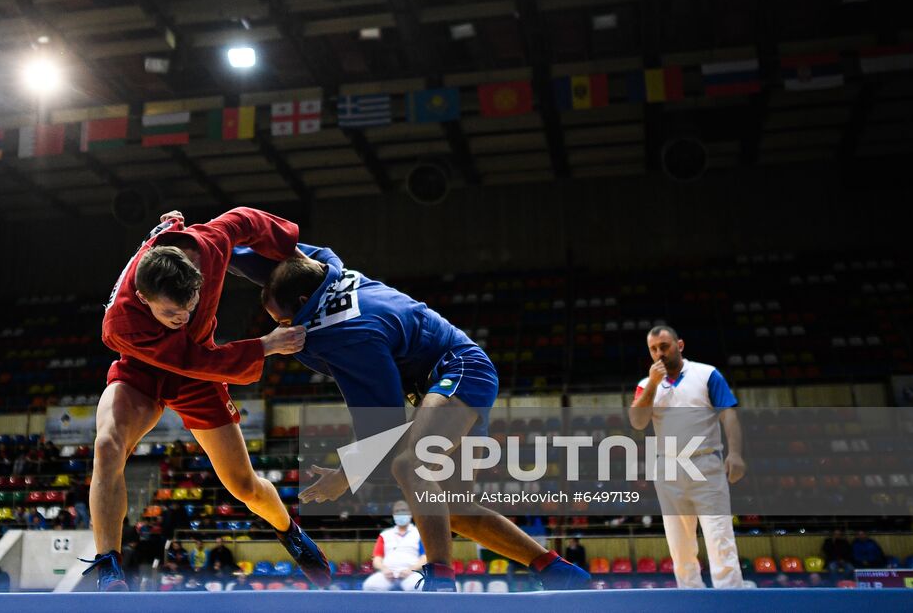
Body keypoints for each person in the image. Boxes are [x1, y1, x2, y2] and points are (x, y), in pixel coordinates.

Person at [253, 245, 591, 592]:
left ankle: (440, 578)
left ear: (304, 302)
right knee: (455, 511)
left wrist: (345, 475)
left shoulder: (351, 335)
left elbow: (383, 423)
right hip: (453, 375)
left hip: (459, 367)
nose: (283, 329)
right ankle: (557, 570)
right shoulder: (328, 271)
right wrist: (211, 246)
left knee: (411, 465)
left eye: (284, 321)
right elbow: (285, 248)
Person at [81, 208, 330, 591]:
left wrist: (291, 254)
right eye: (170, 312)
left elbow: (246, 220)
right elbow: (191, 360)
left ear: (197, 278)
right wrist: (265, 346)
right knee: (107, 444)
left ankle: (288, 531)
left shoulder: (208, 246)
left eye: (191, 304)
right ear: (144, 298)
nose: (183, 315)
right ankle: (109, 565)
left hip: (199, 379)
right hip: (144, 370)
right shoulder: (120, 323)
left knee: (243, 486)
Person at [629, 325, 744, 589]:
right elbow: (637, 421)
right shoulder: (645, 385)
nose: (659, 353)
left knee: (720, 538)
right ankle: (690, 599)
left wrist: (735, 453)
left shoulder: (707, 374)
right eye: (653, 349)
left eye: (664, 346)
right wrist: (653, 386)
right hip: (668, 466)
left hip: (706, 462)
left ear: (679, 345)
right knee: (680, 546)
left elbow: (729, 415)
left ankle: (731, 600)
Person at [362, 500, 426, 591]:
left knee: (418, 586)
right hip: (387, 574)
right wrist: (384, 569)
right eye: (397, 511)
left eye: (403, 510)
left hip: (412, 573)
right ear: (393, 515)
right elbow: (377, 559)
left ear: (410, 513)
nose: (400, 513)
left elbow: (425, 558)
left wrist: (411, 570)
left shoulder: (420, 534)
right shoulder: (384, 535)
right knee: (369, 586)